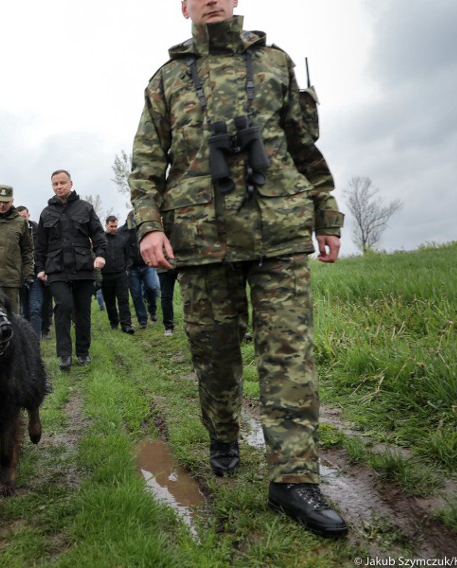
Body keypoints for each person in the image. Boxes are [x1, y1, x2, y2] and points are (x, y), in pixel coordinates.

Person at [129, 1, 348, 537]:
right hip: (201, 239)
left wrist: (327, 214)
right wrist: (149, 226)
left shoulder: (275, 62)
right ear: (183, 6)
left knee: (288, 355)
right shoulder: (167, 79)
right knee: (215, 353)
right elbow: (145, 162)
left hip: (278, 233)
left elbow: (303, 147)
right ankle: (223, 434)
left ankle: (293, 479)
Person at [35, 170, 107, 370]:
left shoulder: (85, 208)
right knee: (64, 307)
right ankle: (64, 355)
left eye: (62, 183)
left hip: (83, 268)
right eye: (55, 184)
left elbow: (98, 234)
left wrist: (100, 255)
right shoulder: (46, 213)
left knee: (83, 311)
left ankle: (83, 352)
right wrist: (40, 268)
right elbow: (40, 244)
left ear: (71, 183)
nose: (59, 186)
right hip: (56, 270)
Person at [0, 185, 34, 311]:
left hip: (10, 280)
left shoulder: (20, 222)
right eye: (0, 201)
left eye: (6, 202)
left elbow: (27, 250)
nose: (2, 205)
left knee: (12, 318)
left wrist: (28, 274)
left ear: (12, 202)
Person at [17, 206, 53, 338]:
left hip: (37, 273)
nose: (22, 219)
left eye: (24, 216)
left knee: (36, 309)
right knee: (24, 311)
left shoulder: (38, 230)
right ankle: (27, 338)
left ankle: (36, 340)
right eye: (19, 216)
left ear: (28, 215)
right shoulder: (15, 231)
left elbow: (45, 249)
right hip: (20, 275)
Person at [119, 210, 160, 329]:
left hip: (147, 264)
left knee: (153, 287)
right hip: (131, 268)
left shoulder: (144, 229)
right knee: (136, 295)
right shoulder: (122, 232)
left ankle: (152, 309)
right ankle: (142, 319)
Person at [100, 215, 134, 334]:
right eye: (111, 226)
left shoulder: (122, 239)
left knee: (123, 300)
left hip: (121, 274)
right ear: (106, 225)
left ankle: (126, 324)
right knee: (109, 301)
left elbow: (129, 256)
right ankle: (114, 322)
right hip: (106, 275)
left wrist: (127, 269)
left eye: (115, 226)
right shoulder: (101, 240)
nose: (114, 228)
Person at [157, 265, 179, 337]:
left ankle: (193, 323)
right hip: (164, 266)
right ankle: (168, 327)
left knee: (190, 294)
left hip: (182, 263)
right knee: (166, 297)